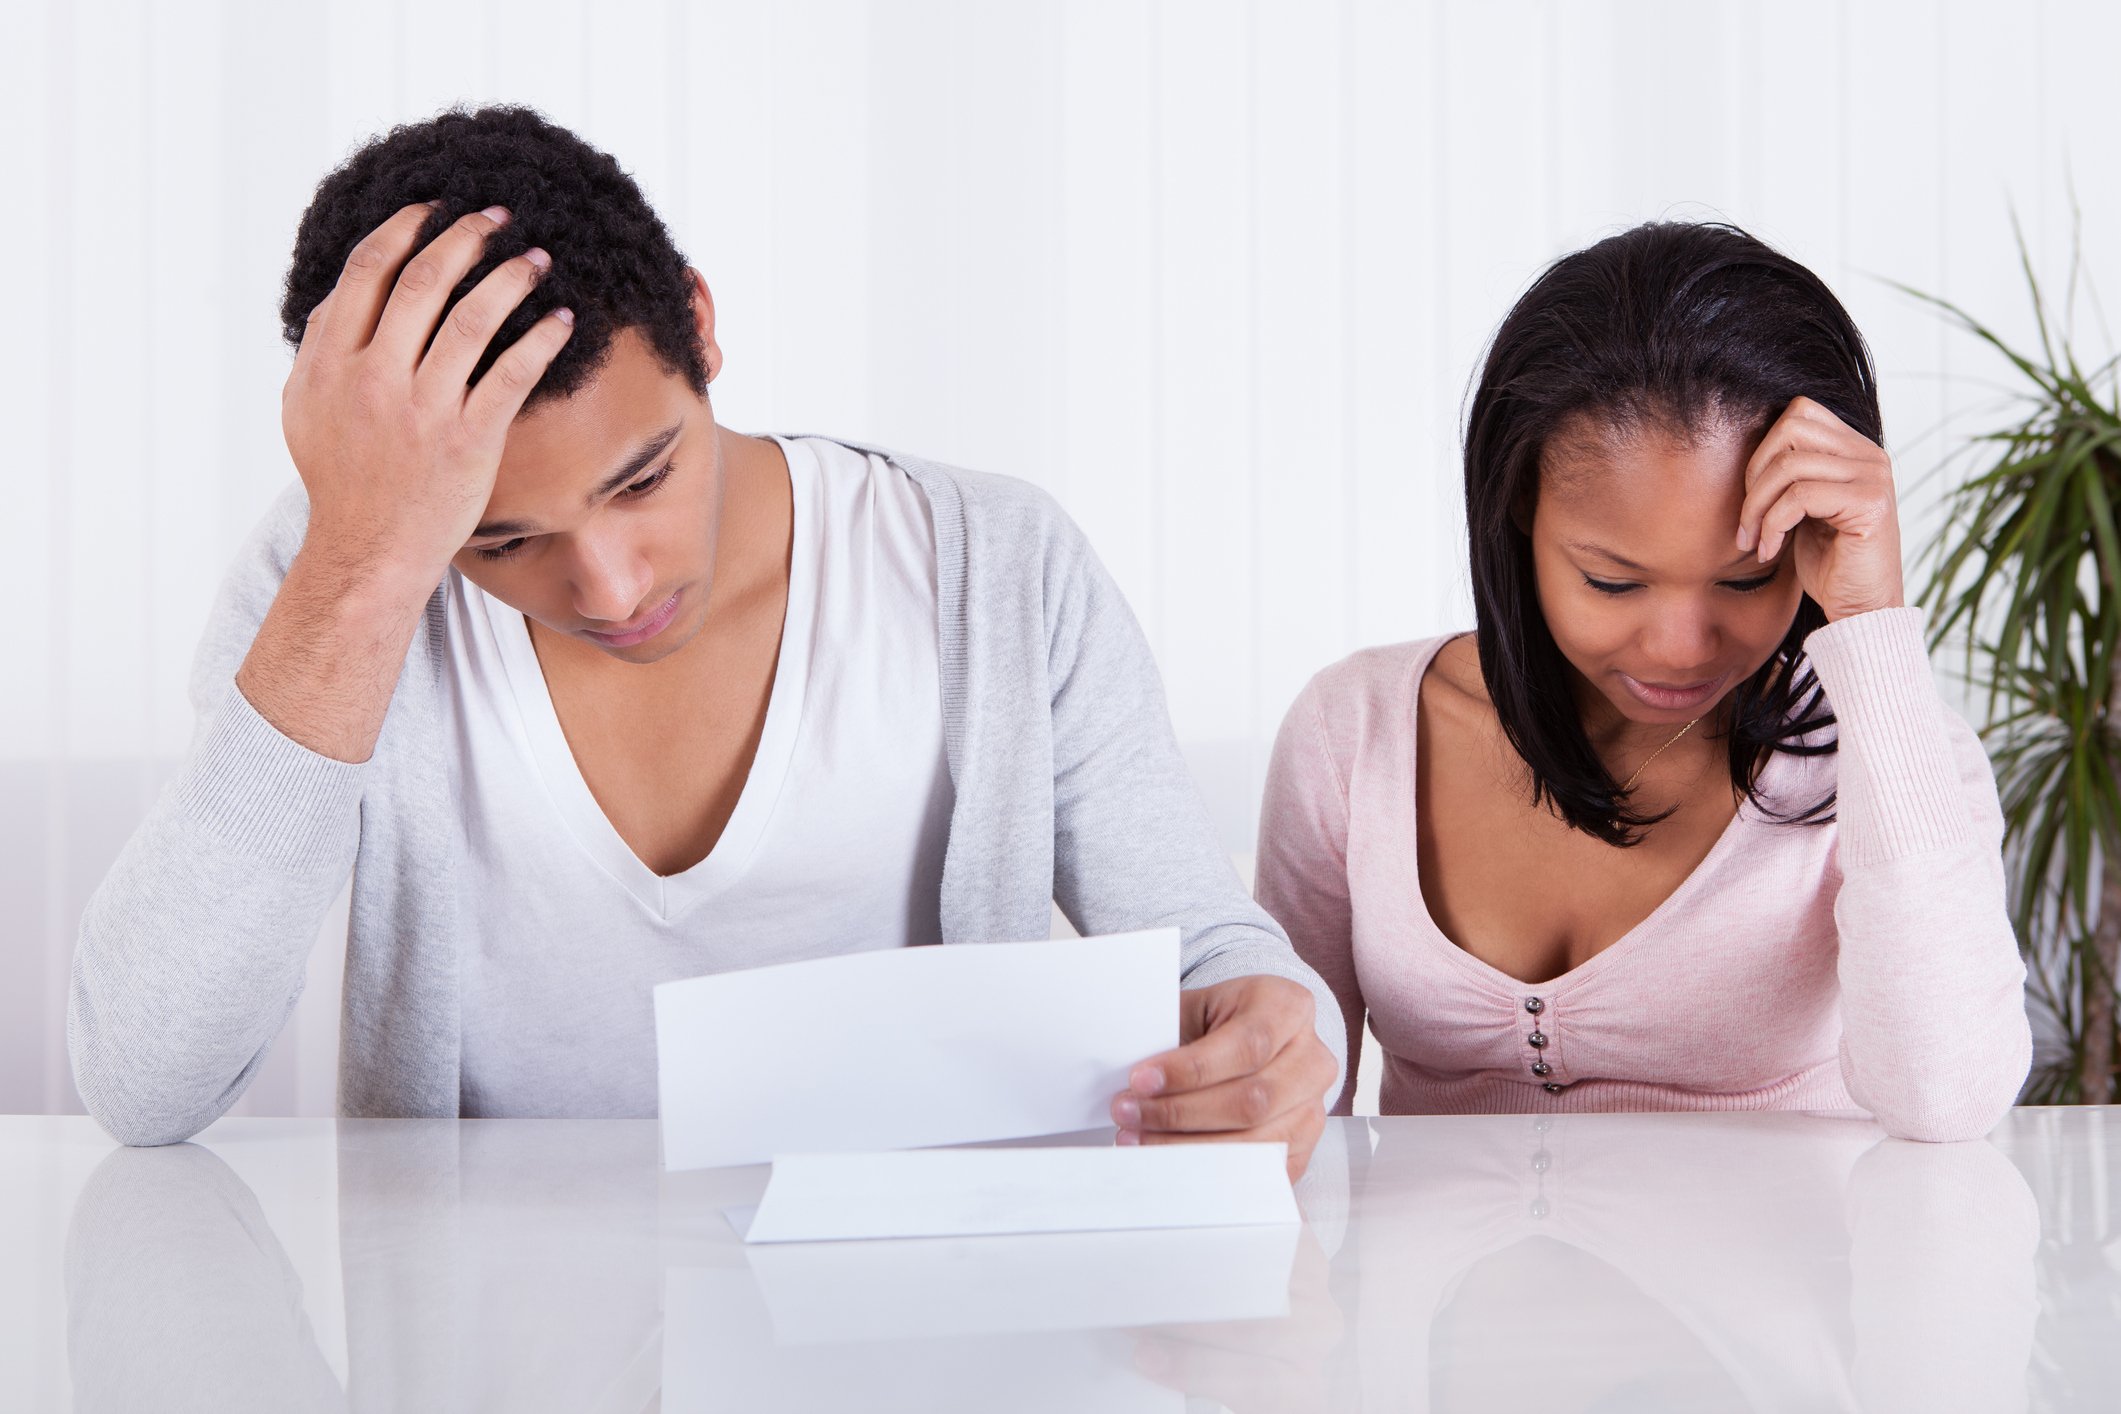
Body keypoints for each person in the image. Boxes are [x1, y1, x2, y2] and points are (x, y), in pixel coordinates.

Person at [68, 106, 1340, 1174]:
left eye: (644, 478)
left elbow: (1217, 956)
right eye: (503, 542)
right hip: (481, 1361)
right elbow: (143, 1076)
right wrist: (361, 567)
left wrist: (1285, 1033)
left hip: (922, 1347)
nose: (614, 589)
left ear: (700, 322)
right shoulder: (342, 577)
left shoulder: (996, 567)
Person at [1255, 221, 2030, 1139]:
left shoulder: (1896, 756)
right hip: (1427, 1288)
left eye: (1744, 580)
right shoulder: (1354, 733)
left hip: (1791, 1284)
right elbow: (1286, 1122)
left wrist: (1870, 625)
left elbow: (1947, 1103)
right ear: (1517, 518)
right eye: (1612, 582)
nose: (1678, 648)